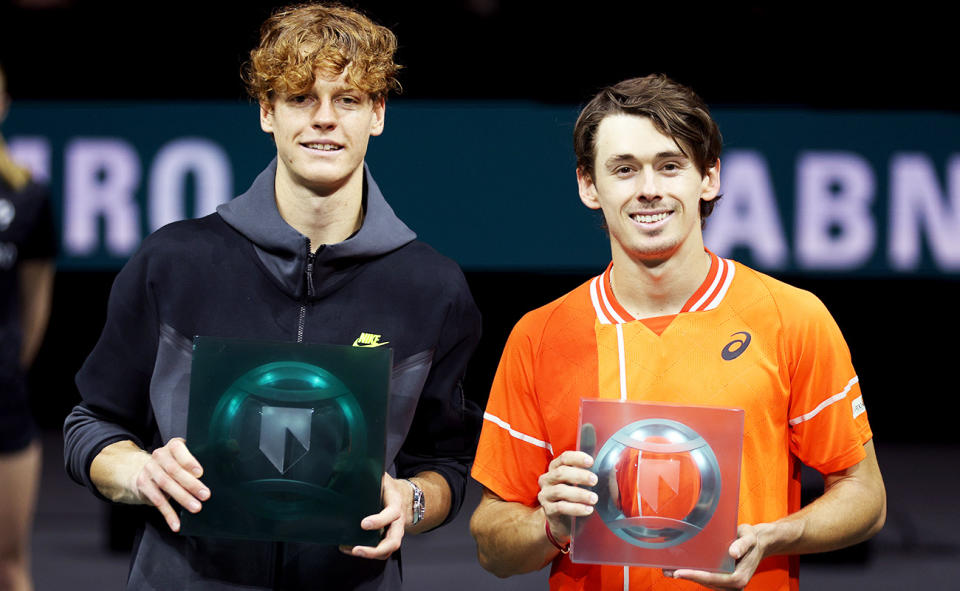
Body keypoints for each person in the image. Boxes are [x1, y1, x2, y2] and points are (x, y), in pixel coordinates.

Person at [63, 3, 480, 589]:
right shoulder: (175, 262)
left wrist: (410, 502)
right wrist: (137, 472)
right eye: (301, 98)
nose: (324, 119)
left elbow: (445, 465)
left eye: (348, 100)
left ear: (377, 115)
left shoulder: (432, 288)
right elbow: (92, 423)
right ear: (267, 112)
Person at [469, 74, 886, 590]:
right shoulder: (539, 336)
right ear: (588, 186)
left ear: (708, 177)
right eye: (624, 169)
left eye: (670, 166)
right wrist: (548, 526)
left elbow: (865, 495)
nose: (649, 189)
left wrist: (774, 536)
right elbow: (491, 545)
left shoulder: (792, 317)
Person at [0, 61, 57, 591]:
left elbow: (35, 298)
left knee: (9, 565)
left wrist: (11, 365)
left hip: (4, 403)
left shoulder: (28, 197)